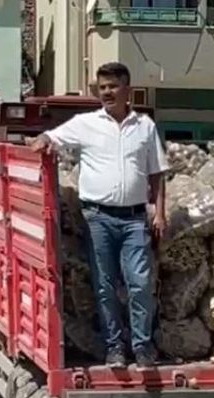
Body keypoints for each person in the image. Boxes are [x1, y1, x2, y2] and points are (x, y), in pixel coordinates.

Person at [27, 62, 169, 369]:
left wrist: (159, 213)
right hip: (98, 219)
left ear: (127, 89)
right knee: (104, 285)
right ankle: (114, 347)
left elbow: (157, 174)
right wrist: (41, 142)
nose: (106, 92)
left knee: (139, 283)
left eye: (112, 86)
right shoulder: (86, 123)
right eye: (102, 87)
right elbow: (51, 137)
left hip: (134, 220)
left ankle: (143, 347)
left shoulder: (144, 127)